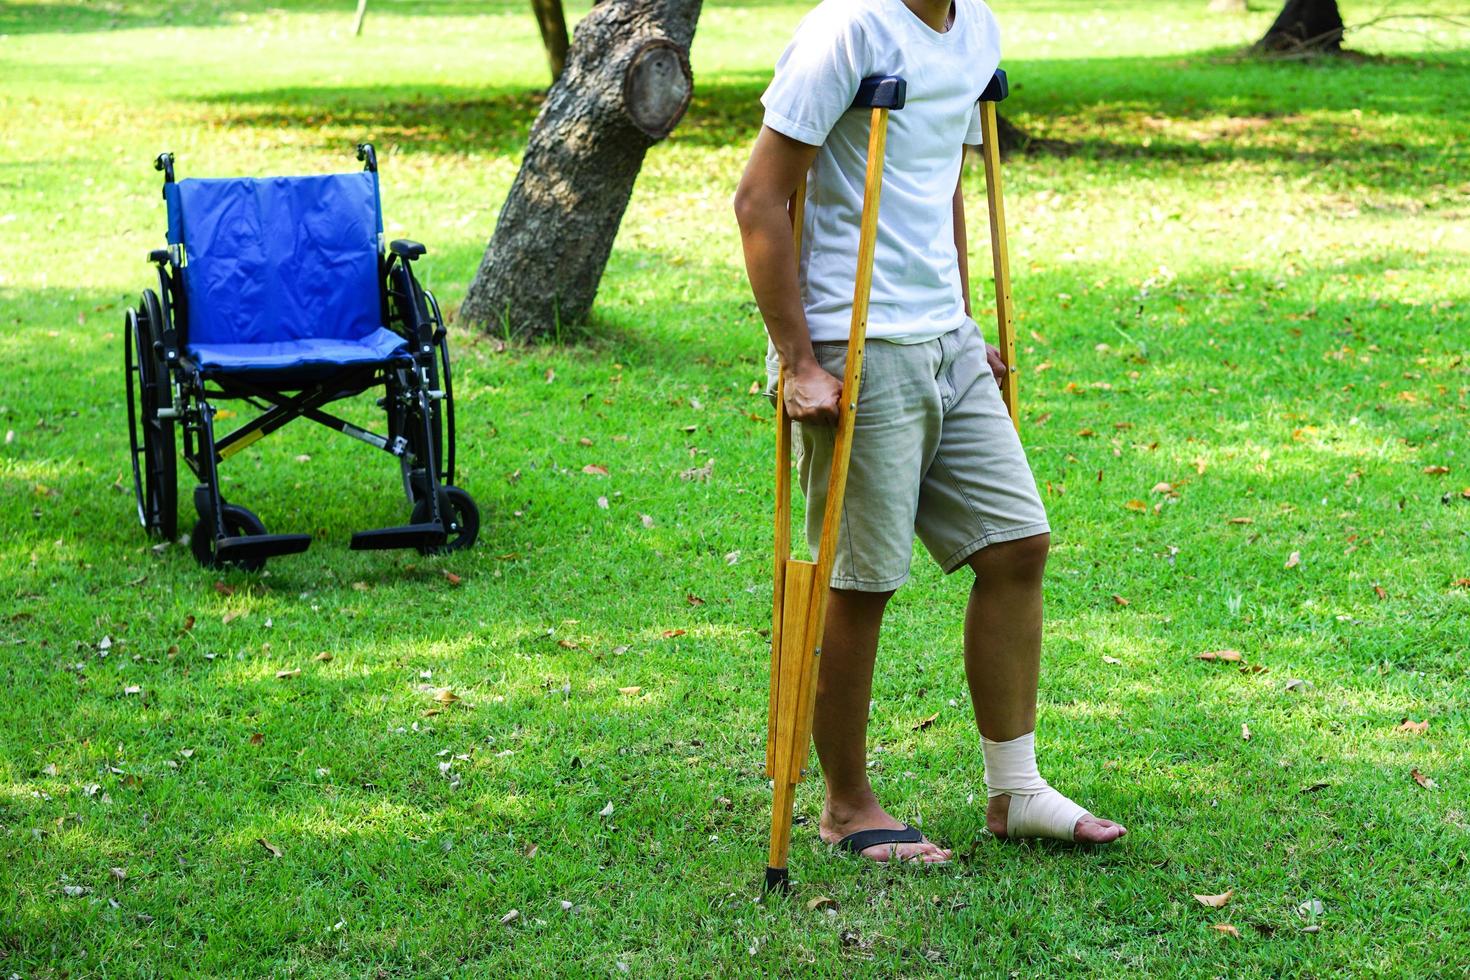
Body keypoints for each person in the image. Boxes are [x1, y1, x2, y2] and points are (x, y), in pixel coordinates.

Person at [733, 0, 1127, 864]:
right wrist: (798, 361)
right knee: (861, 579)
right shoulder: (849, 28)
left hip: (944, 339)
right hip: (858, 340)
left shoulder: (977, 28)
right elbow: (760, 198)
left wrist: (965, 317)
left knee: (1018, 543)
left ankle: (1016, 788)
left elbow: (942, 178)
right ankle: (845, 804)